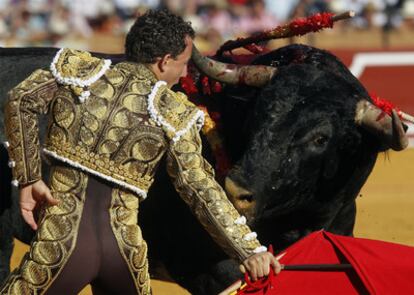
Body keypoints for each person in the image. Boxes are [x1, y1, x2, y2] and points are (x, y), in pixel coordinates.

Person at [1, 9, 280, 295]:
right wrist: (250, 250)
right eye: (183, 64)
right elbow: (200, 188)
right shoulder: (174, 113)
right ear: (164, 61)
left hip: (59, 243)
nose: (184, 73)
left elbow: (20, 100)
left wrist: (29, 178)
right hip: (123, 254)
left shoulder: (78, 72)